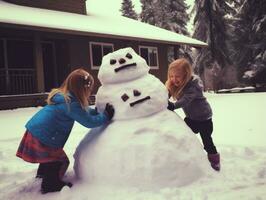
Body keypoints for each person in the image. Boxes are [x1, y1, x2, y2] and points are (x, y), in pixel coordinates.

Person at [16, 68, 115, 194]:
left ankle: (43, 174)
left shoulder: (65, 98)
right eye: (89, 89)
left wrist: (96, 112)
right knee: (59, 160)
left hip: (36, 131)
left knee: (50, 158)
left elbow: (83, 111)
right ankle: (50, 184)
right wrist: (106, 115)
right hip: (44, 136)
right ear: (83, 89)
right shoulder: (70, 104)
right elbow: (89, 122)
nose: (90, 92)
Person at [165, 58, 220, 171]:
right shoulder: (174, 84)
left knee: (207, 141)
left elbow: (186, 99)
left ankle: (215, 161)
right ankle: (188, 154)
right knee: (184, 131)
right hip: (191, 118)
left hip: (204, 118)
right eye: (171, 76)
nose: (174, 79)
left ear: (186, 75)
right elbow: (167, 93)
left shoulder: (193, 86)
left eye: (177, 76)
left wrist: (173, 106)